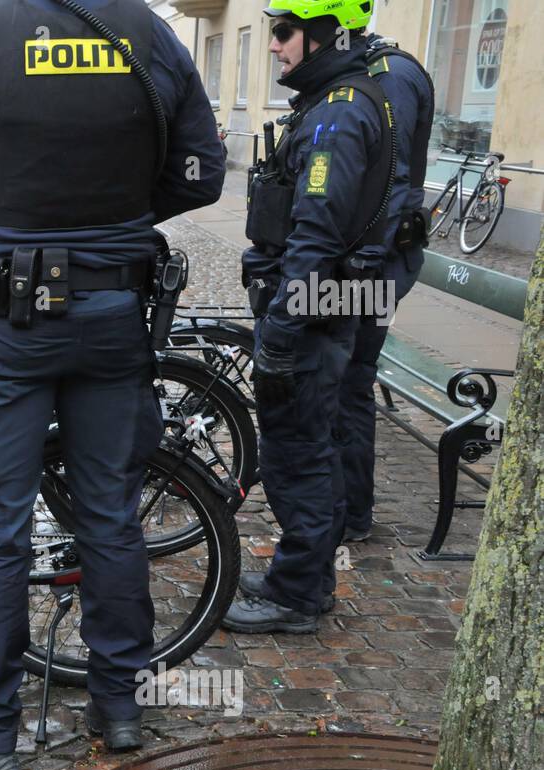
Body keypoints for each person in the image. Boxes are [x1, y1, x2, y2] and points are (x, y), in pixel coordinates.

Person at [0, 0, 225, 770]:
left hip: (7, 322)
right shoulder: (150, 34)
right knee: (111, 513)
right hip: (113, 315)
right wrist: (119, 220)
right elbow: (200, 172)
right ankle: (121, 706)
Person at [222, 1, 396, 635]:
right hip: (317, 310)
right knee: (307, 445)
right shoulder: (333, 101)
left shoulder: (339, 114)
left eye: (285, 33)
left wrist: (281, 333)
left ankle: (296, 596)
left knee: (299, 452)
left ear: (328, 34)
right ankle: (305, 578)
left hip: (312, 315)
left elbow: (317, 237)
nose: (275, 46)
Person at [337, 34, 435, 542]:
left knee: (348, 380)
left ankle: (351, 513)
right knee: (341, 378)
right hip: (369, 263)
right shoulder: (374, 67)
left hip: (373, 267)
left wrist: (359, 267)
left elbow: (388, 184)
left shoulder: (389, 74)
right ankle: (343, 505)